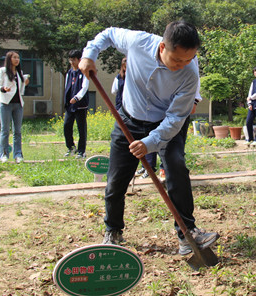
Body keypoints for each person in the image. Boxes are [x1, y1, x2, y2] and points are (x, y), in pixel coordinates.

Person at [79, 21, 219, 253]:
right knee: (116, 179)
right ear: (163, 47)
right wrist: (89, 54)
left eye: (189, 59)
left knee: (176, 167)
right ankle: (113, 230)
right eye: (177, 60)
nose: (183, 65)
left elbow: (175, 119)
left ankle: (187, 234)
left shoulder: (190, 72)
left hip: (166, 123)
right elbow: (109, 34)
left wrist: (150, 142)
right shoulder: (138, 42)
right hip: (129, 120)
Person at [111, 57, 159, 179]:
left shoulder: (140, 76)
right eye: (125, 66)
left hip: (142, 113)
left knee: (147, 140)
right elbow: (114, 91)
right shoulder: (120, 77)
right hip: (125, 112)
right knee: (129, 142)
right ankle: (141, 166)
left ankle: (149, 166)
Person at [0, 51, 30, 163]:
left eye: (18, 58)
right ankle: (3, 154)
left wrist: (25, 82)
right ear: (9, 59)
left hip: (18, 104)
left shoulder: (19, 72)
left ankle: (18, 154)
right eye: (14, 57)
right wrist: (3, 89)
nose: (17, 59)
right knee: (5, 130)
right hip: (6, 103)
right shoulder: (3, 71)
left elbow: (20, 89)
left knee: (17, 131)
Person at [64, 50, 90, 159]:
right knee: (67, 126)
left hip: (80, 105)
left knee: (81, 128)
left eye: (73, 60)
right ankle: (71, 147)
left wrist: (77, 98)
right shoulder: (69, 72)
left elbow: (85, 87)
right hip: (70, 105)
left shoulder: (84, 72)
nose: (71, 62)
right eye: (70, 60)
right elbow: (67, 86)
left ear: (79, 60)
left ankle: (81, 151)